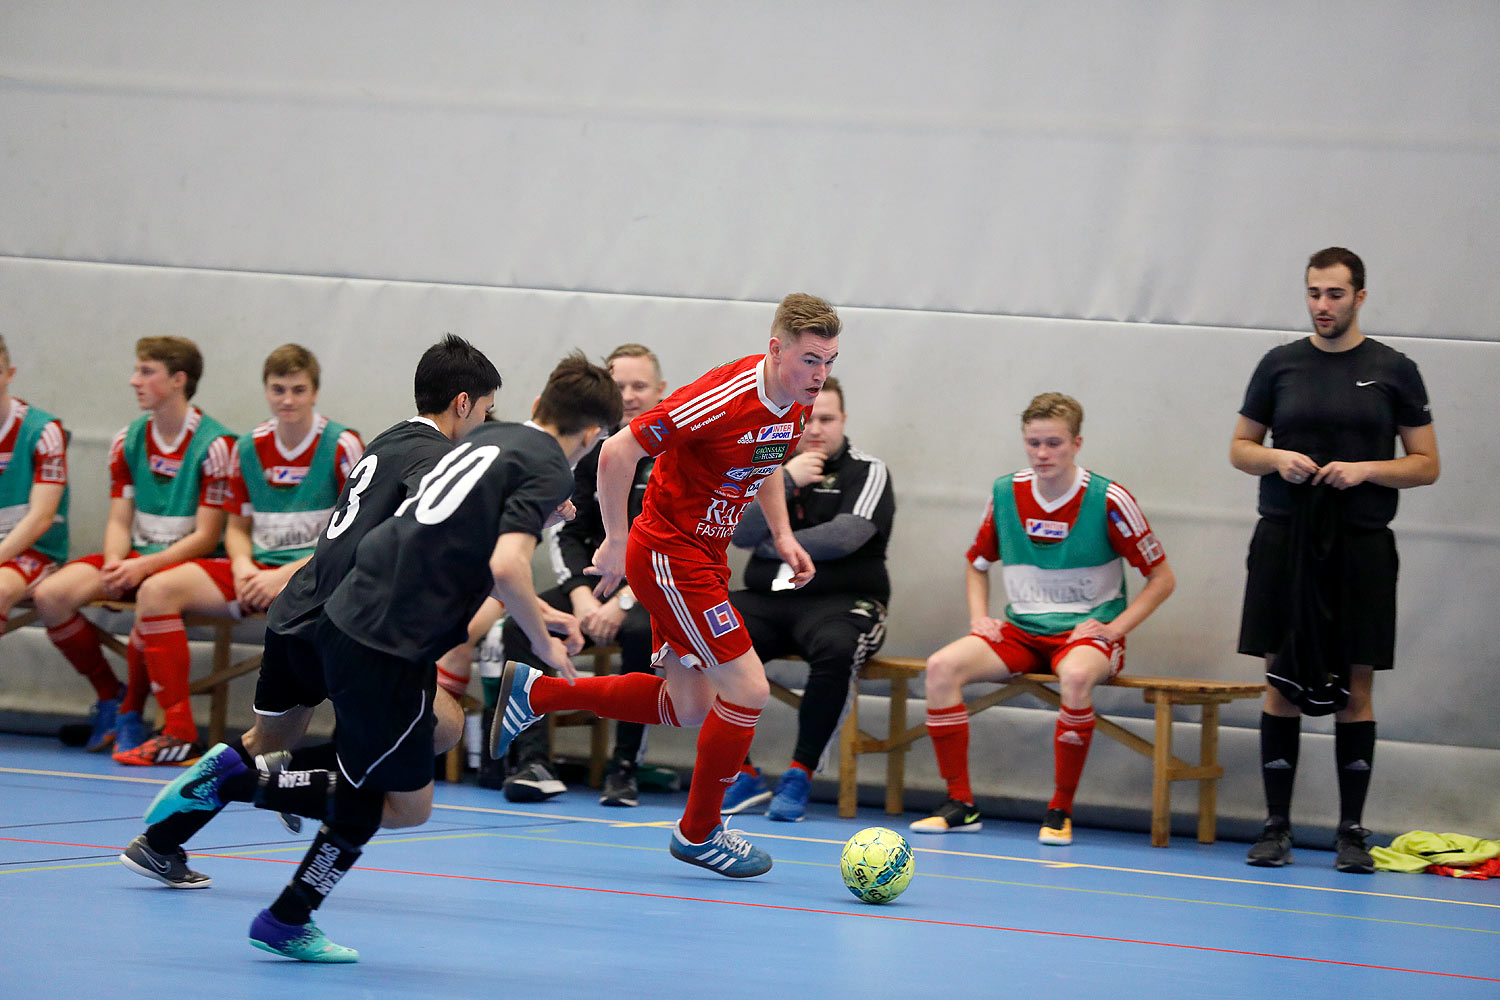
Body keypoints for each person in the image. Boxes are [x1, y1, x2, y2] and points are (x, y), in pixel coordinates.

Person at [140, 351, 618, 962]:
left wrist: (537, 607)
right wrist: (545, 639)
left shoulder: (488, 440)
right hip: (383, 637)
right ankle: (249, 793)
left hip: (352, 616)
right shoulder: (544, 464)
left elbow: (457, 540)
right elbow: (504, 560)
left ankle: (281, 900)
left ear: (533, 408)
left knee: (409, 757)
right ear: (592, 435)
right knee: (395, 803)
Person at [120, 334, 502, 888]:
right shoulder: (434, 455)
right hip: (350, 629)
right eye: (487, 411)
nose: (487, 424)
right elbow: (438, 504)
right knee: (439, 729)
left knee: (262, 742)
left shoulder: (385, 440)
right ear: (462, 403)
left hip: (296, 612)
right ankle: (288, 788)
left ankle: (159, 842)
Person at [491, 292, 841, 879]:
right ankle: (699, 832)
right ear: (777, 348)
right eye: (810, 360)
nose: (820, 374)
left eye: (829, 361)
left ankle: (538, 694)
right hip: (669, 554)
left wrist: (782, 536)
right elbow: (616, 451)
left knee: (685, 705)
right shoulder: (727, 397)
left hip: (704, 556)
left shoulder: (797, 399)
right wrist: (617, 539)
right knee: (749, 689)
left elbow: (766, 464)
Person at [1231, 247, 1439, 874]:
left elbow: (1426, 464)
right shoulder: (1279, 365)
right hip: (1285, 542)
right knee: (1281, 682)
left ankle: (1351, 831)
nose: (1323, 306)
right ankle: (1275, 827)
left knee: (1356, 686)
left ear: (1360, 297)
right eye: (1315, 294)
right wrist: (1277, 458)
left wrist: (1368, 470)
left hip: (1360, 545)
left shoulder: (1394, 369)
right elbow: (1241, 447)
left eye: (1336, 295)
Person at [911, 392, 1175, 846]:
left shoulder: (1109, 498)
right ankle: (960, 804)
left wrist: (1115, 629)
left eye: (1053, 443)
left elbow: (1162, 578)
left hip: (1082, 635)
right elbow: (976, 563)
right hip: (1021, 631)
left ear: (1076, 442)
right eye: (1033, 443)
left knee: (1074, 677)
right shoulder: (1005, 492)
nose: (1042, 454)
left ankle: (1059, 810)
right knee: (940, 669)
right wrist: (980, 619)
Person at [112, 345, 363, 765]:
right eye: (278, 389)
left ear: (315, 392)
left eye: (298, 390)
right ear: (266, 391)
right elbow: (237, 529)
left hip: (317, 573)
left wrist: (283, 575)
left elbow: (352, 535)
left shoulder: (344, 445)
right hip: (257, 570)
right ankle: (177, 732)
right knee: (156, 591)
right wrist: (246, 567)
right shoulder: (248, 446)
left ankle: (345, 743)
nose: (287, 399)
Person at [33, 337, 233, 757]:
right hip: (138, 556)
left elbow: (206, 536)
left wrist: (142, 569)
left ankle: (134, 715)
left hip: (187, 562)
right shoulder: (128, 438)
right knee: (51, 595)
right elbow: (120, 518)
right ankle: (111, 694)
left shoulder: (217, 444)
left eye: (146, 371)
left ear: (179, 380)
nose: (133, 380)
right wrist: (113, 562)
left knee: (151, 594)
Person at [492, 342, 666, 806]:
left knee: (642, 636)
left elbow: (672, 540)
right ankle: (532, 761)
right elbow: (566, 532)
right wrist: (580, 597)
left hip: (650, 590)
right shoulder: (579, 453)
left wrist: (624, 600)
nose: (628, 395)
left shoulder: (673, 451)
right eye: (619, 385)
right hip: (590, 581)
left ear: (661, 392)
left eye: (639, 386)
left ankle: (624, 767)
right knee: (520, 628)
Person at [721, 375, 895, 821]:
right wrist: (787, 480)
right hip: (769, 600)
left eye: (827, 418)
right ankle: (739, 774)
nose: (816, 428)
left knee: (837, 649)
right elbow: (738, 531)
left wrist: (775, 541)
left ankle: (800, 773)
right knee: (710, 631)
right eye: (808, 418)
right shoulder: (770, 466)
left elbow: (846, 535)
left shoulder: (866, 470)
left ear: (844, 420)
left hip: (841, 602)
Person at [0, 336, 70, 635]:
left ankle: (107, 684)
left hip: (32, 550)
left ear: (9, 374)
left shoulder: (43, 430)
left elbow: (42, 517)